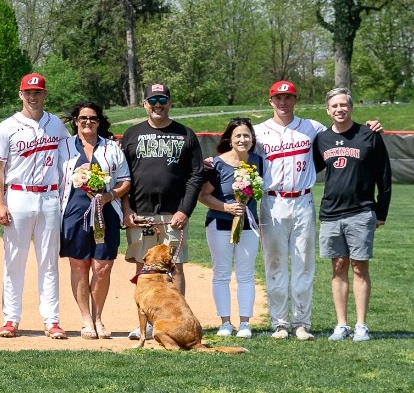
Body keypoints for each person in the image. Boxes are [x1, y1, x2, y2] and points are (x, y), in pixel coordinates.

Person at [119, 83, 206, 336]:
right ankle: (144, 324)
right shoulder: (132, 134)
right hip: (140, 213)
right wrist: (126, 209)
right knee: (142, 267)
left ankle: (177, 320)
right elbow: (123, 176)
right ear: (145, 103)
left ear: (169, 103)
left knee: (175, 266)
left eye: (163, 100)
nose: (158, 105)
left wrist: (185, 210)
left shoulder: (185, 134)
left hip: (173, 213)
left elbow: (196, 175)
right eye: (153, 100)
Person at [0, 73, 70, 338]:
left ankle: (51, 320)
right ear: (20, 94)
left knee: (49, 262)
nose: (33, 97)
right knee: (15, 260)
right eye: (28, 93)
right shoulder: (7, 126)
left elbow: (68, 160)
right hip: (19, 195)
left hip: (49, 197)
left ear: (45, 94)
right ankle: (10, 319)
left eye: (38, 92)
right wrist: (0, 204)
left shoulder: (56, 124)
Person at [315, 88, 392, 342]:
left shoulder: (369, 134)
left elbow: (384, 174)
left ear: (351, 108)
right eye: (334, 106)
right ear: (328, 110)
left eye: (343, 105)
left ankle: (361, 324)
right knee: (338, 268)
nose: (339, 109)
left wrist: (381, 211)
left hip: (361, 211)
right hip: (331, 213)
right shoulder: (322, 139)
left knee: (360, 267)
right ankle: (341, 324)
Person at [254, 80, 324, 340]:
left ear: (296, 100)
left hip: (303, 201)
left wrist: (370, 128)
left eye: (288, 97)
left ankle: (302, 322)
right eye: (278, 98)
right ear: (270, 100)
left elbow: (342, 135)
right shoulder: (258, 131)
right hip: (272, 201)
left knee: (304, 264)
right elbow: (235, 149)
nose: (283, 102)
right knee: (275, 263)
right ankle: (280, 323)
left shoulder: (312, 128)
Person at [59, 102, 130, 338]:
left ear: (99, 121)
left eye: (92, 118)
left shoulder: (111, 148)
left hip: (106, 212)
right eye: (82, 118)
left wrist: (109, 196)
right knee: (79, 265)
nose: (87, 122)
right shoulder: (64, 147)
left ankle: (99, 317)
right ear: (75, 121)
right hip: (74, 213)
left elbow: (125, 181)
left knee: (102, 267)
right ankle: (86, 319)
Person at [197, 118, 263, 339]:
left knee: (245, 274)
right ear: (229, 139)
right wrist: (226, 207)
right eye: (238, 136)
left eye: (246, 135)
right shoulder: (216, 163)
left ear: (252, 139)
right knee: (222, 273)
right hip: (219, 224)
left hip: (248, 225)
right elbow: (203, 195)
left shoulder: (258, 162)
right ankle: (225, 322)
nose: (243, 140)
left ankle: (245, 323)